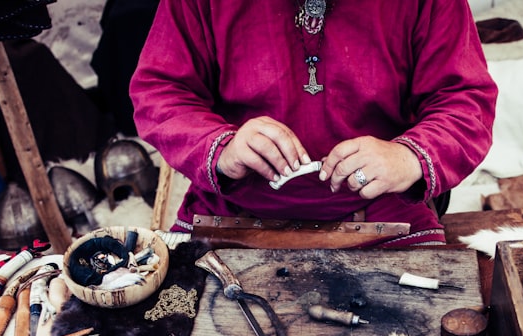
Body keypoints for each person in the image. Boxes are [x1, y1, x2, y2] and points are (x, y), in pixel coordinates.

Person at [129, 0, 497, 247]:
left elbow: (465, 100)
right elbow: (160, 91)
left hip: (382, 214)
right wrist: (222, 148)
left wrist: (407, 157)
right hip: (232, 213)